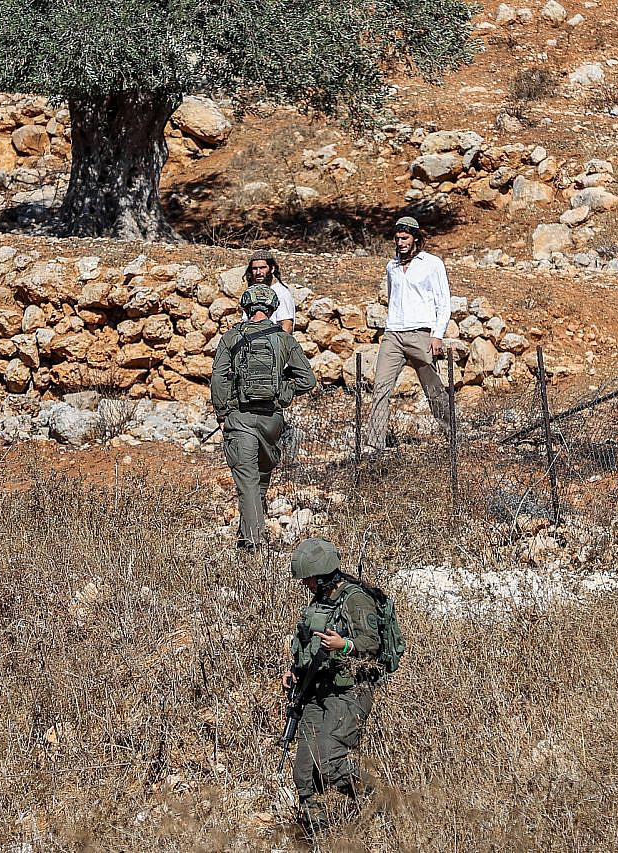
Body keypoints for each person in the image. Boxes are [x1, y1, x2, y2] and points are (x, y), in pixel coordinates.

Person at [282, 538, 384, 834]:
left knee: (328, 760)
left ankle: (377, 800)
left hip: (350, 691)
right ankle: (318, 831)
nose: (305, 584)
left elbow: (371, 645)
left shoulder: (355, 598)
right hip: (317, 690)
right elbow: (308, 645)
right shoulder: (321, 599)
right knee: (303, 771)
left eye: (308, 579)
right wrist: (294, 670)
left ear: (322, 574)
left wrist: (345, 645)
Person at [210, 284, 316, 550]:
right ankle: (246, 541)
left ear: (245, 308)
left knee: (247, 483)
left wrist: (222, 413)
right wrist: (283, 390)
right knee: (259, 482)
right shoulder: (285, 339)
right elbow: (307, 380)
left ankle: (255, 546)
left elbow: (219, 378)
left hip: (240, 419)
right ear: (272, 309)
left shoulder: (231, 338)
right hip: (272, 421)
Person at [365, 216, 452, 454]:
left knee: (433, 388)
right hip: (393, 333)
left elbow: (443, 302)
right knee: (381, 386)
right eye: (397, 239)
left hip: (421, 332)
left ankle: (452, 434)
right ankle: (374, 444)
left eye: (405, 238)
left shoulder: (432, 263)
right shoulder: (391, 266)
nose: (401, 242)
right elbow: (393, 297)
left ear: (415, 238)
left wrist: (437, 335)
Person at [244, 249, 296, 334]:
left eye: (262, 268)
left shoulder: (281, 293)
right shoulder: (251, 293)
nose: (258, 272)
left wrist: (278, 345)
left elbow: (287, 325)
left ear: (272, 269)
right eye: (254, 268)